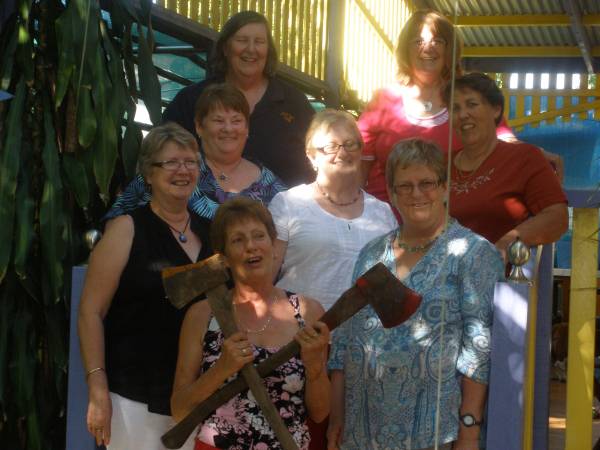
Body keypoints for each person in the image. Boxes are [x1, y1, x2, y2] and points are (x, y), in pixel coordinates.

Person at [327, 139, 504, 450]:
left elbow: (479, 350)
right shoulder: (372, 254)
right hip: (361, 431)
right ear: (393, 194)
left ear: (445, 188)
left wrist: (469, 432)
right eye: (404, 186)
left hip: (435, 434)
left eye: (427, 183)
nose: (417, 193)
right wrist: (337, 417)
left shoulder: (473, 254)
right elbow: (344, 341)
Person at [78, 123, 213, 449]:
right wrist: (97, 388)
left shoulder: (211, 231)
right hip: (133, 396)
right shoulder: (127, 228)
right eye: (171, 163)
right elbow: (90, 312)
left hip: (197, 395)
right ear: (149, 174)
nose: (183, 170)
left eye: (191, 162)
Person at [358, 9, 562, 208]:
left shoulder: (467, 95)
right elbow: (358, 163)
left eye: (437, 41)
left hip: (451, 222)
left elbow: (501, 140)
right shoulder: (384, 98)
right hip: (386, 220)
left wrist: (535, 154)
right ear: (405, 50)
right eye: (418, 41)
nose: (428, 48)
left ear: (449, 50)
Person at [172, 197, 331, 450]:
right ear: (223, 258)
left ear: (273, 245)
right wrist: (222, 369)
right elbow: (179, 410)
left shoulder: (308, 312)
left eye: (259, 236)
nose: (251, 246)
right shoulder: (203, 316)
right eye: (238, 240)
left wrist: (314, 369)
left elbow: (320, 414)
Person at [163, 10, 315, 187]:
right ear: (225, 48)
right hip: (199, 210)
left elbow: (319, 159)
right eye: (242, 40)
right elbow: (161, 154)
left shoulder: (295, 102)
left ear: (268, 51)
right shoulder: (193, 99)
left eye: (259, 42)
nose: (251, 49)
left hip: (283, 212)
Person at [269, 109, 397, 311]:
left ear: (361, 151)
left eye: (350, 144)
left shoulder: (382, 213)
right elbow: (265, 276)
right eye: (330, 146)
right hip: (300, 335)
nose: (343, 152)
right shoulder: (288, 203)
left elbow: (390, 283)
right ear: (311, 156)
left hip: (361, 337)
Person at [105, 83, 286, 221]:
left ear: (247, 128)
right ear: (199, 126)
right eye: (218, 120)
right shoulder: (173, 169)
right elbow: (117, 217)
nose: (228, 128)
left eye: (236, 120)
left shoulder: (273, 186)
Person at [445, 72, 568, 258]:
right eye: (455, 108)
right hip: (440, 272)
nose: (463, 115)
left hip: (499, 276)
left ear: (496, 109)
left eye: (472, 104)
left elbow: (557, 218)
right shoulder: (441, 164)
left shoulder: (524, 158)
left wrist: (507, 242)